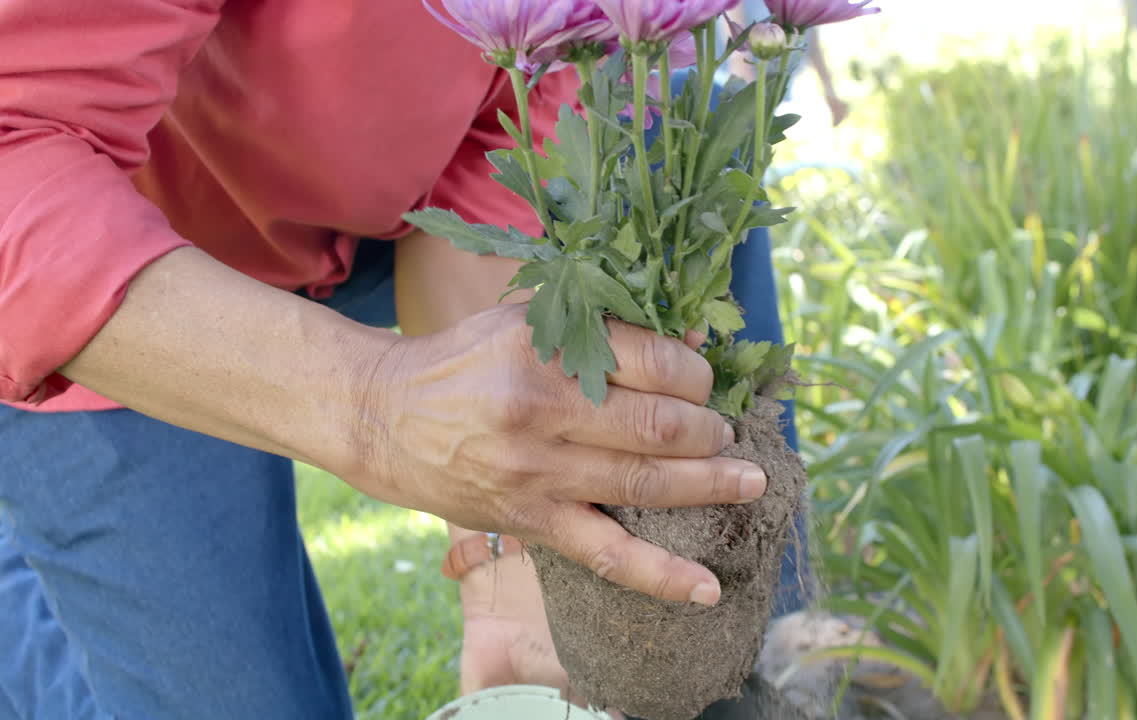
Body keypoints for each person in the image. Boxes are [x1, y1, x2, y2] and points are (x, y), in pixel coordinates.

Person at [0, 2, 807, 718]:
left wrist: (509, 562)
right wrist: (374, 408)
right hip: (99, 271)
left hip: (372, 206)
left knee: (682, 141)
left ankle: (756, 670)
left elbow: (495, 178)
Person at [727, 0, 850, 126]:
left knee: (756, 138)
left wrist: (829, 89)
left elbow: (810, 33)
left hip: (775, 78)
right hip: (737, 72)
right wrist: (739, 58)